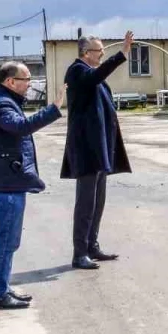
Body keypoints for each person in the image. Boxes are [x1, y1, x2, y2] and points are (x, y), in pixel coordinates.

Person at [0, 63, 67, 310]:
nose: (30, 84)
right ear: (10, 81)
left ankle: (1, 287)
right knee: (5, 240)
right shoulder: (0, 104)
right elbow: (20, 127)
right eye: (26, 79)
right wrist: (53, 109)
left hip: (7, 180)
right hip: (6, 184)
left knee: (9, 240)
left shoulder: (3, 101)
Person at [61, 31, 133, 270]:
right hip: (86, 148)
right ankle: (79, 253)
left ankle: (92, 246)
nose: (102, 53)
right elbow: (96, 76)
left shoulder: (92, 75)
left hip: (100, 147)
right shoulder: (78, 71)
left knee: (98, 200)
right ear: (85, 53)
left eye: (103, 50)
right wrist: (121, 54)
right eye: (98, 50)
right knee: (85, 203)